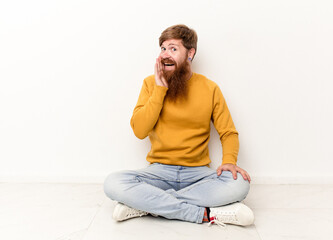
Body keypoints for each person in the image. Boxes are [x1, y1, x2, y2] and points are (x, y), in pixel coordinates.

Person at [104, 24, 255, 227]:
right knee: (113, 183)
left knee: (239, 184)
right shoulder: (151, 84)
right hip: (159, 171)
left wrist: (229, 160)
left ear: (190, 53)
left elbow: (228, 132)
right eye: (163, 49)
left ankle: (145, 205)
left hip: (198, 173)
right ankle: (205, 214)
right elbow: (139, 131)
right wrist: (159, 90)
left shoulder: (210, 88)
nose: (166, 54)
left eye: (173, 49)